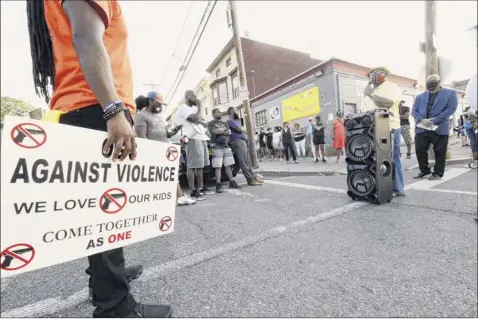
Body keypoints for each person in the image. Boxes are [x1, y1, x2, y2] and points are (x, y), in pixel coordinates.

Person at [26, 1, 171, 317]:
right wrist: (113, 109)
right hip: (97, 108)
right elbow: (86, 39)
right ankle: (114, 306)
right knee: (107, 210)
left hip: (85, 107)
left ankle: (105, 279)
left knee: (102, 213)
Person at [135, 93, 196, 206]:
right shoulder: (141, 115)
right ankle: (176, 198)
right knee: (158, 178)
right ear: (150, 101)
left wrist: (175, 130)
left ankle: (178, 197)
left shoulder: (159, 117)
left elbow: (166, 134)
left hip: (165, 151)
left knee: (170, 175)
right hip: (153, 152)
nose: (160, 106)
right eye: (159, 103)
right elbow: (141, 138)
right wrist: (150, 153)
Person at [361, 66, 405, 196]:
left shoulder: (392, 87)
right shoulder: (368, 91)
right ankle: (379, 187)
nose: (373, 75)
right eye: (371, 74)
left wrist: (370, 94)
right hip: (370, 130)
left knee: (390, 158)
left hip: (388, 128)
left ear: (385, 75)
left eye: (377, 73)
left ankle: (397, 188)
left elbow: (385, 104)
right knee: (374, 159)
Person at [411, 74, 458, 180]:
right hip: (422, 127)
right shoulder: (420, 96)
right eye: (429, 82)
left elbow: (451, 108)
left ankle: (438, 173)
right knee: (419, 149)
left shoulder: (450, 93)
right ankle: (425, 170)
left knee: (440, 151)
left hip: (439, 127)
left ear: (439, 82)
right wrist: (422, 120)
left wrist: (434, 120)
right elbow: (414, 111)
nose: (431, 84)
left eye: (433, 81)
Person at [175, 90, 214, 199]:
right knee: (192, 165)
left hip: (200, 137)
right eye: (193, 95)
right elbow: (195, 118)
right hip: (191, 137)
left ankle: (200, 188)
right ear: (187, 96)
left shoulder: (193, 108)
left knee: (200, 165)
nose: (196, 97)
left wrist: (200, 118)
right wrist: (200, 107)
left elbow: (201, 120)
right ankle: (193, 190)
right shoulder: (183, 108)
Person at [207, 108, 241, 193]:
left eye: (220, 112)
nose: (220, 113)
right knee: (218, 166)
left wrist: (221, 131)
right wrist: (222, 131)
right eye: (218, 112)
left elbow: (229, 132)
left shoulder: (224, 122)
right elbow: (213, 132)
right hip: (216, 147)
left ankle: (232, 182)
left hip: (226, 146)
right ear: (213, 114)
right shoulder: (211, 123)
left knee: (228, 165)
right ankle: (218, 185)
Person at [226, 107, 263, 186]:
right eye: (236, 111)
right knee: (244, 162)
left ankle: (252, 177)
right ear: (232, 112)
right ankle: (250, 179)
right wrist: (247, 131)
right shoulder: (229, 120)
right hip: (237, 142)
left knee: (245, 162)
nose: (238, 113)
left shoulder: (235, 121)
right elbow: (240, 129)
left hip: (241, 142)